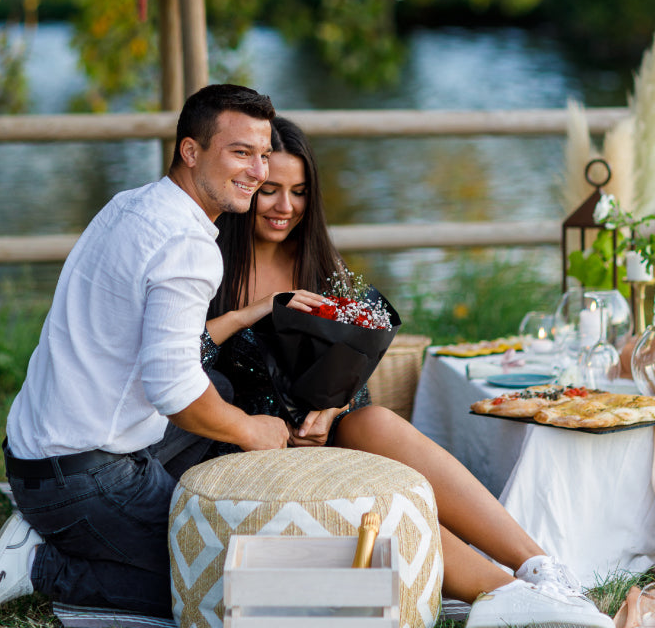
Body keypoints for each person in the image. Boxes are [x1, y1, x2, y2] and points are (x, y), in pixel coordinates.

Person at [202, 115, 616, 628]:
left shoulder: (315, 262)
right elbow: (179, 363)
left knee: (371, 422)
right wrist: (251, 312)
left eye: (300, 191)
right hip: (242, 441)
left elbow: (350, 371)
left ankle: (541, 568)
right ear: (246, 187)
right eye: (270, 191)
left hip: (318, 434)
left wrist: (330, 410)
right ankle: (509, 595)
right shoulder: (208, 261)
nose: (286, 207)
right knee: (377, 487)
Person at [0, 84, 291, 628]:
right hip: (80, 475)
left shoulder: (133, 203)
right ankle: (43, 566)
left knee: (223, 392)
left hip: (36, 450)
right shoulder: (187, 246)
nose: (258, 170)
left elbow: (168, 364)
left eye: (262, 153)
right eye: (240, 152)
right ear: (190, 150)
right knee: (231, 589)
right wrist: (252, 431)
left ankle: (106, 526)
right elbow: (175, 392)